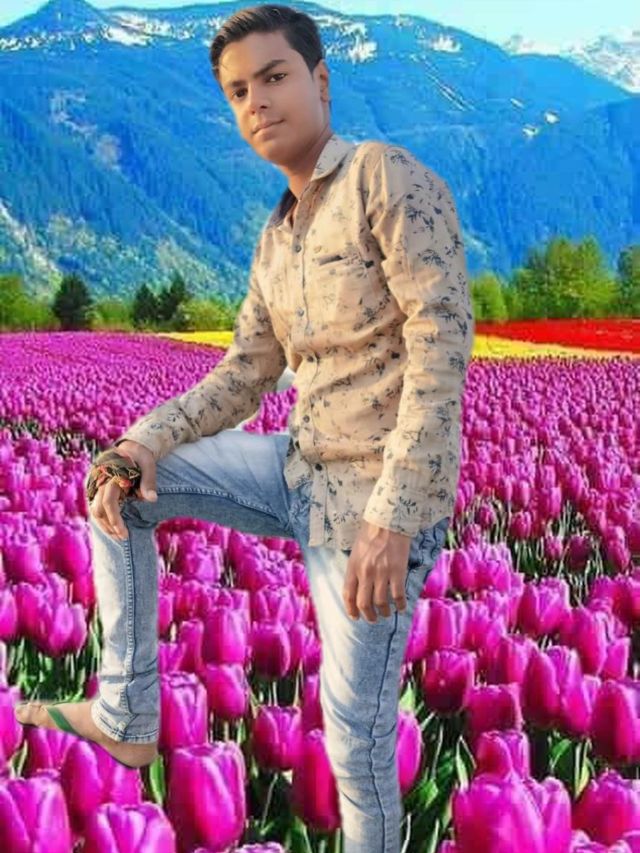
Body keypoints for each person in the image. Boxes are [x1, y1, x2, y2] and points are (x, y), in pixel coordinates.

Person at [15, 4, 474, 850]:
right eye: (238, 91)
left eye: (274, 77)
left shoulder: (382, 177)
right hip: (298, 468)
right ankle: (126, 711)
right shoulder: (276, 235)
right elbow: (245, 372)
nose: (257, 101)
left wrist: (395, 515)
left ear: (320, 81)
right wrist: (143, 441)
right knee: (122, 489)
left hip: (372, 497)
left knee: (354, 727)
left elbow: (441, 340)